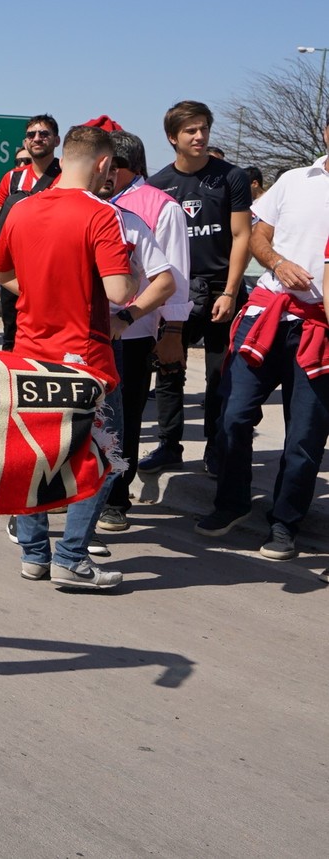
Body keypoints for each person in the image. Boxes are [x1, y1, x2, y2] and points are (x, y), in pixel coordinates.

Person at [0, 125, 135, 589]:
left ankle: (34, 553)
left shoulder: (21, 207)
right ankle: (71, 557)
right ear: (102, 164)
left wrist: (40, 292)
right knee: (99, 457)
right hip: (85, 357)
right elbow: (119, 290)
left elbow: (3, 275)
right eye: (110, 168)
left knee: (31, 456)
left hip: (29, 352)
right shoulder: (102, 215)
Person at [198, 112, 329, 559]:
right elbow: (257, 236)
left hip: (321, 328)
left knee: (305, 436)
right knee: (234, 414)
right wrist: (276, 263)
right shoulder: (295, 180)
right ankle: (231, 503)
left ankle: (285, 523)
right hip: (270, 314)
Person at [140, 101, 252, 475]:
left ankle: (217, 450)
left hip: (222, 289)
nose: (199, 136)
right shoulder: (158, 184)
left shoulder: (231, 177)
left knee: (221, 375)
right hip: (177, 292)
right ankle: (169, 445)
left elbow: (241, 236)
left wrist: (231, 291)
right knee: (170, 369)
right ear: (173, 137)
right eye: (190, 130)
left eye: (203, 128)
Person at [101, 129, 191, 527]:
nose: (101, 171)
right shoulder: (96, 203)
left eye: (108, 165)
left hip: (132, 333)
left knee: (126, 419)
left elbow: (175, 278)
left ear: (125, 167)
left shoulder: (160, 206)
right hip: (87, 331)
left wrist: (172, 332)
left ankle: (116, 498)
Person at [0, 118, 62, 351]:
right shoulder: (12, 178)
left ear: (57, 140)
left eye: (44, 134)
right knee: (11, 336)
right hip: (14, 274)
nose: (37, 139)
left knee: (50, 337)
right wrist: (2, 264)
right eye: (31, 135)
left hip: (49, 274)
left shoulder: (66, 176)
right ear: (25, 141)